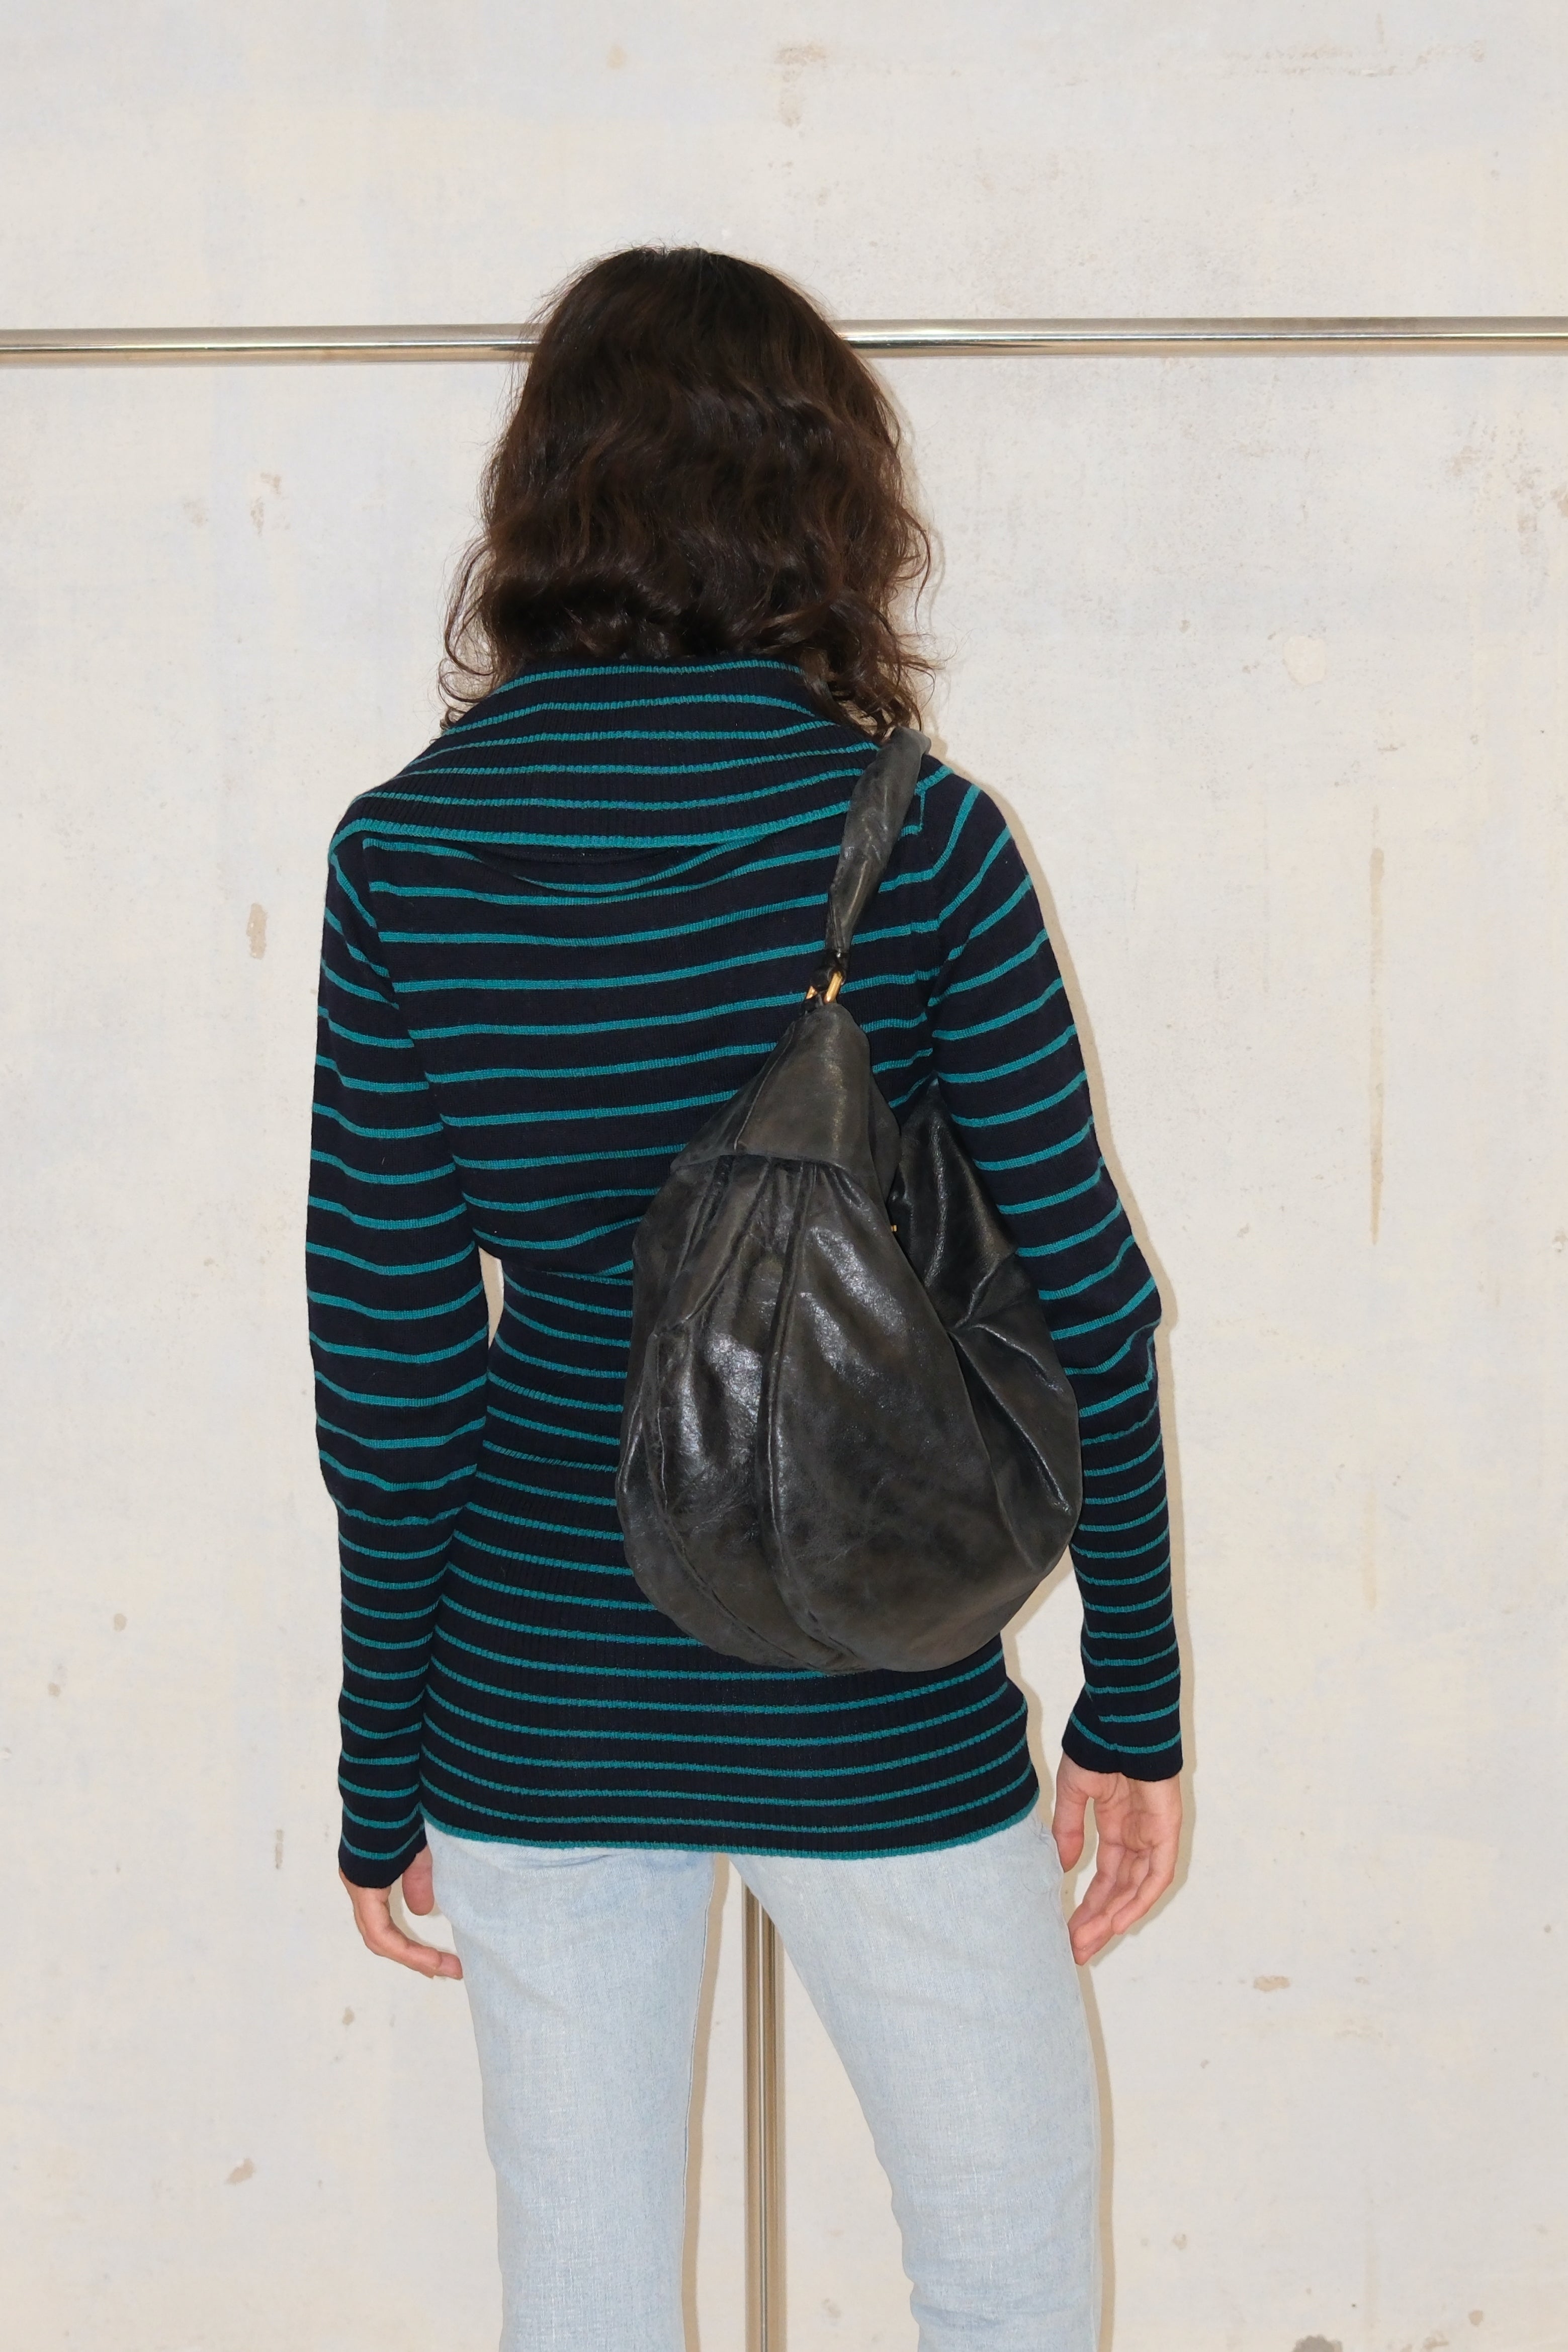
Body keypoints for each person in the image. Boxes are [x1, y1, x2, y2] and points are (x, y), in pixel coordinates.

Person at [307, 245, 1183, 2352]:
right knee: (1007, 2258)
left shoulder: (403, 856)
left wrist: (380, 1756)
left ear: (543, 498)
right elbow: (1083, 1294)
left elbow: (395, 1366)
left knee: (584, 2293)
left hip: (534, 1676)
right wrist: (1131, 1701)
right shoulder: (921, 838)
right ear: (824, 499)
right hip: (864, 1667)